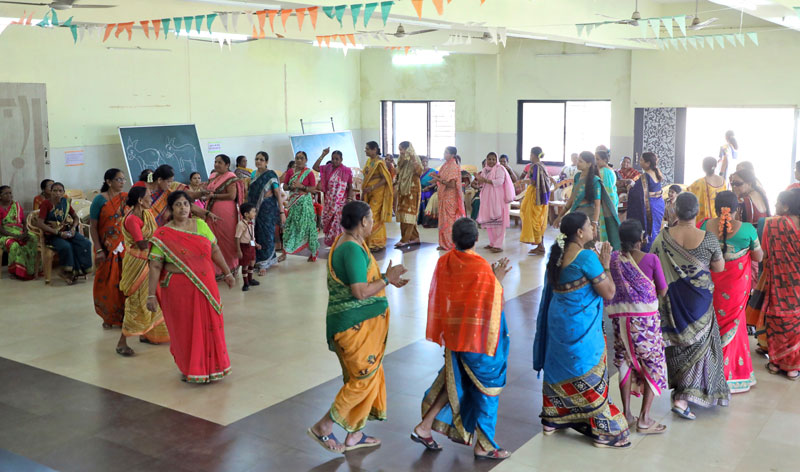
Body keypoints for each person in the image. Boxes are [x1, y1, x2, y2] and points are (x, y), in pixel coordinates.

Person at [307, 201, 409, 453]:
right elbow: (360, 292)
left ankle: (355, 434)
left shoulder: (351, 242)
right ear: (363, 221)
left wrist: (384, 280)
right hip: (352, 326)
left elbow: (361, 281)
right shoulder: (351, 248)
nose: (373, 223)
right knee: (363, 379)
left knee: (364, 375)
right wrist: (386, 280)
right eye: (371, 218)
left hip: (355, 325)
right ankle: (323, 426)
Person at [413, 218, 512, 459]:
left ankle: (424, 426)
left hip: (455, 336)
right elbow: (491, 305)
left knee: (455, 381)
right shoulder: (481, 267)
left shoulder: (444, 261)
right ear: (477, 239)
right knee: (488, 388)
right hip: (476, 342)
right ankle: (484, 445)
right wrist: (497, 280)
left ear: (453, 239)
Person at [533, 212, 629, 448]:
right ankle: (602, 430)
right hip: (580, 327)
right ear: (579, 232)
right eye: (589, 225)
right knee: (584, 367)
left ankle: (553, 418)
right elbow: (609, 292)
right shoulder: (586, 257)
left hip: (558, 321)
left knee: (559, 365)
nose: (593, 228)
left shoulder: (557, 253)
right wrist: (605, 265)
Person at [650, 192, 729, 419]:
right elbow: (719, 268)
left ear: (675, 211)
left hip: (671, 301)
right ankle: (684, 397)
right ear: (697, 212)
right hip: (698, 302)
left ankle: (681, 392)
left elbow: (653, 265)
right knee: (699, 344)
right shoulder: (708, 239)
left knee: (677, 345)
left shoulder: (662, 237)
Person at [147, 191, 234, 383]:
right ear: (171, 209)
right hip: (178, 289)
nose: (183, 208)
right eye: (178, 204)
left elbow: (215, 250)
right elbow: (155, 265)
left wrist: (227, 272)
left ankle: (214, 367)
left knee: (210, 324)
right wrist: (151, 295)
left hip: (206, 284)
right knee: (185, 329)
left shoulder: (201, 225)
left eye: (186, 204)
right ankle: (190, 368)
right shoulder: (162, 234)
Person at [605, 219, 668, 434]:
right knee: (653, 363)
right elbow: (663, 290)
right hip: (645, 324)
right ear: (641, 238)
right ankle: (644, 419)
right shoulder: (651, 259)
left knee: (624, 362)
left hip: (621, 321)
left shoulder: (613, 259)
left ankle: (627, 414)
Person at [698, 191, 762, 393]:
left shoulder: (703, 225)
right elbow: (758, 257)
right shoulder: (747, 229)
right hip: (736, 288)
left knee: (709, 324)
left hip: (709, 286)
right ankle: (731, 376)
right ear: (737, 209)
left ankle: (706, 375)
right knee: (734, 325)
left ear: (716, 207)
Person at [118, 186, 170, 356]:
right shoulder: (132, 219)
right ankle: (121, 343)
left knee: (152, 296)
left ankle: (147, 334)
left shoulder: (146, 214)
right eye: (149, 196)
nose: (151, 199)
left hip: (149, 259)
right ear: (140, 200)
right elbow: (141, 244)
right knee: (136, 301)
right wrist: (164, 240)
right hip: (137, 263)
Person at [760, 189, 800, 380]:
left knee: (777, 319)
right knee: (796, 322)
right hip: (798, 286)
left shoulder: (772, 224)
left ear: (786, 206)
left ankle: (775, 363)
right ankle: (792, 366)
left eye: (777, 202)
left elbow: (764, 253)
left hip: (778, 283)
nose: (775, 205)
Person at [554, 151, 621, 250]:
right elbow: (572, 198)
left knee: (589, 246)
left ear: (589, 164)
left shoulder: (595, 181)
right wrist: (560, 216)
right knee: (575, 243)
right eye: (578, 160)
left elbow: (597, 205)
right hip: (576, 214)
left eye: (580, 161)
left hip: (589, 216)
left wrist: (594, 224)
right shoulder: (577, 177)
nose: (577, 163)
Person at [89, 169, 128, 330]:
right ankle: (108, 316)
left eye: (123, 179)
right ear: (109, 182)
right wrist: (99, 249)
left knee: (124, 281)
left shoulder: (125, 198)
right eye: (119, 179)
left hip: (124, 247)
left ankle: (124, 315)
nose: (122, 182)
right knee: (107, 283)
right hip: (106, 248)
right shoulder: (99, 200)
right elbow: (93, 226)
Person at [36, 182, 92, 284]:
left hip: (67, 231)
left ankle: (79, 271)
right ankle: (65, 272)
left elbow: (76, 217)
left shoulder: (65, 203)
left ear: (63, 192)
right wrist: (58, 233)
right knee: (66, 246)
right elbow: (40, 223)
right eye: (55, 191)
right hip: (53, 235)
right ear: (51, 192)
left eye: (60, 191)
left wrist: (73, 228)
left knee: (86, 243)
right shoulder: (46, 204)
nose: (57, 193)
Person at [206, 154, 246, 275]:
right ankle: (216, 268)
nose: (216, 164)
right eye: (215, 162)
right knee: (214, 238)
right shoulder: (213, 176)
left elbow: (232, 195)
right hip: (212, 211)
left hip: (226, 212)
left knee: (226, 239)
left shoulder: (230, 177)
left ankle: (229, 267)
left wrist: (214, 196)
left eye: (220, 162)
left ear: (227, 165)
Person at [248, 151, 285, 273]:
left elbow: (277, 193)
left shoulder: (271, 174)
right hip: (254, 209)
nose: (258, 161)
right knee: (256, 234)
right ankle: (259, 260)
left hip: (267, 208)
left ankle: (264, 263)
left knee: (267, 234)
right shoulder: (254, 174)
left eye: (261, 159)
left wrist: (281, 212)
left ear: (267, 162)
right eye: (256, 159)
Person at [283, 151, 320, 261]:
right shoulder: (290, 172)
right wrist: (291, 187)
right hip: (293, 204)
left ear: (306, 160)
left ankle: (313, 252)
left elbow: (313, 189)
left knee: (308, 227)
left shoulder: (309, 173)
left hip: (305, 204)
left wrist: (301, 186)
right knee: (290, 227)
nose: (299, 160)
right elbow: (284, 186)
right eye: (297, 158)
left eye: (301, 158)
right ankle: (285, 252)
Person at [149, 165, 214, 226]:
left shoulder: (168, 192)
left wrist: (207, 213)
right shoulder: (147, 194)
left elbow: (189, 204)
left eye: (171, 182)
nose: (170, 184)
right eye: (168, 181)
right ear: (160, 180)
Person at [475, 153, 515, 253]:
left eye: (493, 159)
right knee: (489, 220)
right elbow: (482, 183)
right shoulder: (485, 169)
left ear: (496, 160)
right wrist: (478, 181)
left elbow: (499, 182)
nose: (491, 161)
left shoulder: (500, 169)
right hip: (487, 197)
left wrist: (484, 180)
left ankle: (498, 245)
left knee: (498, 221)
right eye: (489, 159)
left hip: (497, 198)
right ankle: (492, 243)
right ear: (486, 160)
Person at [314, 148, 353, 248]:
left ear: (341, 160)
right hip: (329, 201)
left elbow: (350, 186)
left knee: (338, 223)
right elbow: (315, 167)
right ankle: (333, 243)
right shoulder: (327, 168)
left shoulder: (347, 171)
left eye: (337, 159)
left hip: (340, 202)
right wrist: (323, 155)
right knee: (329, 222)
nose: (334, 161)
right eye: (333, 159)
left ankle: (340, 243)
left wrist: (349, 199)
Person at [626, 152, 665, 252]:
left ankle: (647, 252)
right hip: (659, 203)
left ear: (648, 163)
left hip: (650, 206)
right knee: (655, 230)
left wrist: (630, 188)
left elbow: (637, 194)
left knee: (648, 230)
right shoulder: (657, 171)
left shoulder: (645, 176)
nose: (639, 162)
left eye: (641, 160)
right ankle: (655, 251)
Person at [431, 146, 466, 251]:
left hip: (450, 198)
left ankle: (450, 244)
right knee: (443, 219)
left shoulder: (453, 166)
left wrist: (438, 180)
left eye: (446, 152)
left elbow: (452, 185)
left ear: (452, 155)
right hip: (443, 196)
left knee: (449, 221)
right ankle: (443, 243)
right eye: (444, 152)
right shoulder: (446, 165)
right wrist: (436, 177)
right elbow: (442, 177)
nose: (444, 154)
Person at [0, 185, 38, 280]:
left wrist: (25, 232)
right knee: (14, 245)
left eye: (10, 193)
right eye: (6, 193)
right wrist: (15, 236)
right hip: (4, 235)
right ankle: (15, 271)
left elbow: (24, 222)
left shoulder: (16, 206)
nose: (9, 195)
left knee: (33, 238)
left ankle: (31, 269)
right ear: (0, 196)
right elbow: (0, 229)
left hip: (19, 232)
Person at [361, 142, 393, 253]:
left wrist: (372, 187)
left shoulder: (379, 163)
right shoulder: (369, 161)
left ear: (374, 150)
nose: (365, 151)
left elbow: (385, 179)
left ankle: (376, 242)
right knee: (367, 215)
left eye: (367, 149)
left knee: (373, 215)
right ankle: (368, 241)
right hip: (368, 193)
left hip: (377, 193)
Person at [519, 147, 551, 255]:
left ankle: (540, 246)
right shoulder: (542, 166)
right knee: (538, 220)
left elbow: (534, 182)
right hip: (542, 196)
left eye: (530, 154)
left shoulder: (536, 166)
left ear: (533, 155)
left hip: (535, 196)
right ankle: (539, 245)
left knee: (534, 221)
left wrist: (522, 182)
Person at [394, 142, 423, 247]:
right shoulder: (401, 159)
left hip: (412, 189)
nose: (401, 152)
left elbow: (419, 172)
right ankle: (415, 238)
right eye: (399, 150)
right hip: (403, 189)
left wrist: (413, 160)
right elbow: (398, 170)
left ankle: (405, 239)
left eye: (402, 149)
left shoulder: (415, 158)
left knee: (410, 214)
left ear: (408, 149)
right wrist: (403, 159)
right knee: (403, 214)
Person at [687, 157, 726, 221]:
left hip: (705, 220)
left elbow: (688, 195)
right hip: (720, 217)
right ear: (715, 166)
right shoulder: (723, 181)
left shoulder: (699, 182)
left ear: (703, 167)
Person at [236, 202, 260, 292]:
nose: (255, 213)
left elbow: (251, 236)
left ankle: (250, 279)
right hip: (244, 247)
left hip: (251, 246)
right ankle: (245, 283)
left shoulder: (251, 223)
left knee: (252, 262)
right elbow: (237, 238)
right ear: (246, 214)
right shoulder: (241, 224)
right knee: (245, 265)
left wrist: (256, 244)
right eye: (253, 212)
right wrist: (238, 250)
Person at [418, 155, 438, 226]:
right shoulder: (418, 171)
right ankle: (419, 219)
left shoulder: (432, 171)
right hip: (419, 189)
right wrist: (421, 189)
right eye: (423, 162)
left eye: (426, 162)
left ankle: (427, 219)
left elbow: (437, 181)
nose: (425, 163)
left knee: (426, 195)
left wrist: (429, 187)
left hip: (429, 189)